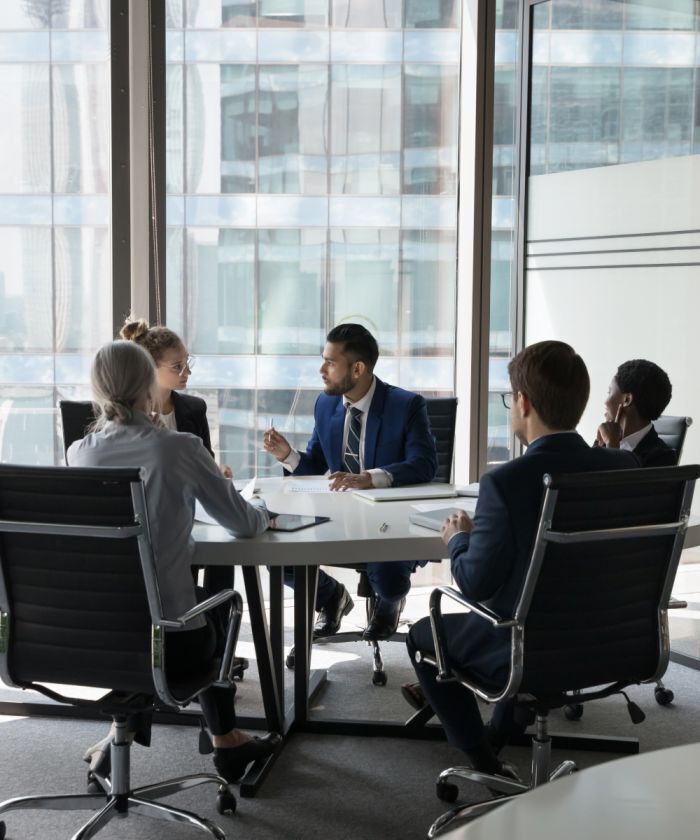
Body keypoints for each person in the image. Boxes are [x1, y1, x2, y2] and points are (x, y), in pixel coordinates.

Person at [406, 340, 638, 776]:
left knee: (424, 635)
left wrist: (458, 539)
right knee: (526, 612)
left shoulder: (506, 482)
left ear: (523, 403)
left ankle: (485, 764)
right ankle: (501, 734)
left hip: (529, 650)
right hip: (615, 642)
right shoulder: (624, 468)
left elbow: (474, 584)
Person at [67, 340, 280, 783]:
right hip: (170, 645)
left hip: (90, 639)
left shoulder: (79, 453)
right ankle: (227, 741)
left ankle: (135, 736)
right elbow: (242, 524)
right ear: (149, 384)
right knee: (218, 602)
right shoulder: (177, 447)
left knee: (158, 607)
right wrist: (264, 511)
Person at [264, 323, 438, 641]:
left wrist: (369, 479)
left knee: (387, 580)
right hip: (338, 515)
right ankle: (331, 597)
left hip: (388, 520)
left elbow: (423, 464)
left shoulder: (406, 406)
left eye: (331, 362)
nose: (322, 370)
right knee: (278, 556)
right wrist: (288, 455)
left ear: (357, 369)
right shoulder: (326, 404)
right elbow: (317, 465)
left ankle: (389, 600)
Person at [120, 317, 233, 477]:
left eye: (187, 362)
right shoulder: (125, 414)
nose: (188, 372)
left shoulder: (196, 409)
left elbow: (205, 464)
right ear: (150, 367)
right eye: (177, 366)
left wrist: (217, 472)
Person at [595, 359, 676, 466]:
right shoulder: (604, 438)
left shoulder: (662, 458)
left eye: (609, 392)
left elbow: (610, 482)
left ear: (627, 400)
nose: (605, 402)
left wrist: (612, 446)